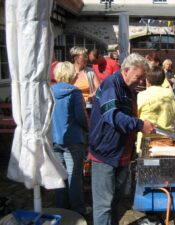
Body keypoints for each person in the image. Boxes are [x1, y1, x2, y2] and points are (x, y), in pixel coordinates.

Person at [88, 53, 155, 225]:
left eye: (143, 78)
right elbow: (112, 115)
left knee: (117, 200)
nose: (141, 82)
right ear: (126, 70)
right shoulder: (112, 84)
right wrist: (140, 125)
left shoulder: (128, 88)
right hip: (105, 153)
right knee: (104, 205)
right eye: (138, 77)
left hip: (121, 153)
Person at [52, 61, 90, 215]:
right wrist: (88, 129)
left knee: (60, 176)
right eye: (74, 72)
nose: (76, 74)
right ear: (70, 74)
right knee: (75, 177)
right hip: (73, 139)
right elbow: (81, 117)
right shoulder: (74, 92)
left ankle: (61, 207)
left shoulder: (50, 90)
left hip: (55, 138)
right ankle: (78, 209)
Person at [136, 66, 175, 153]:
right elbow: (174, 113)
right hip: (167, 136)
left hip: (147, 138)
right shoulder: (170, 94)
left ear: (148, 80)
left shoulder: (142, 95)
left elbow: (136, 116)